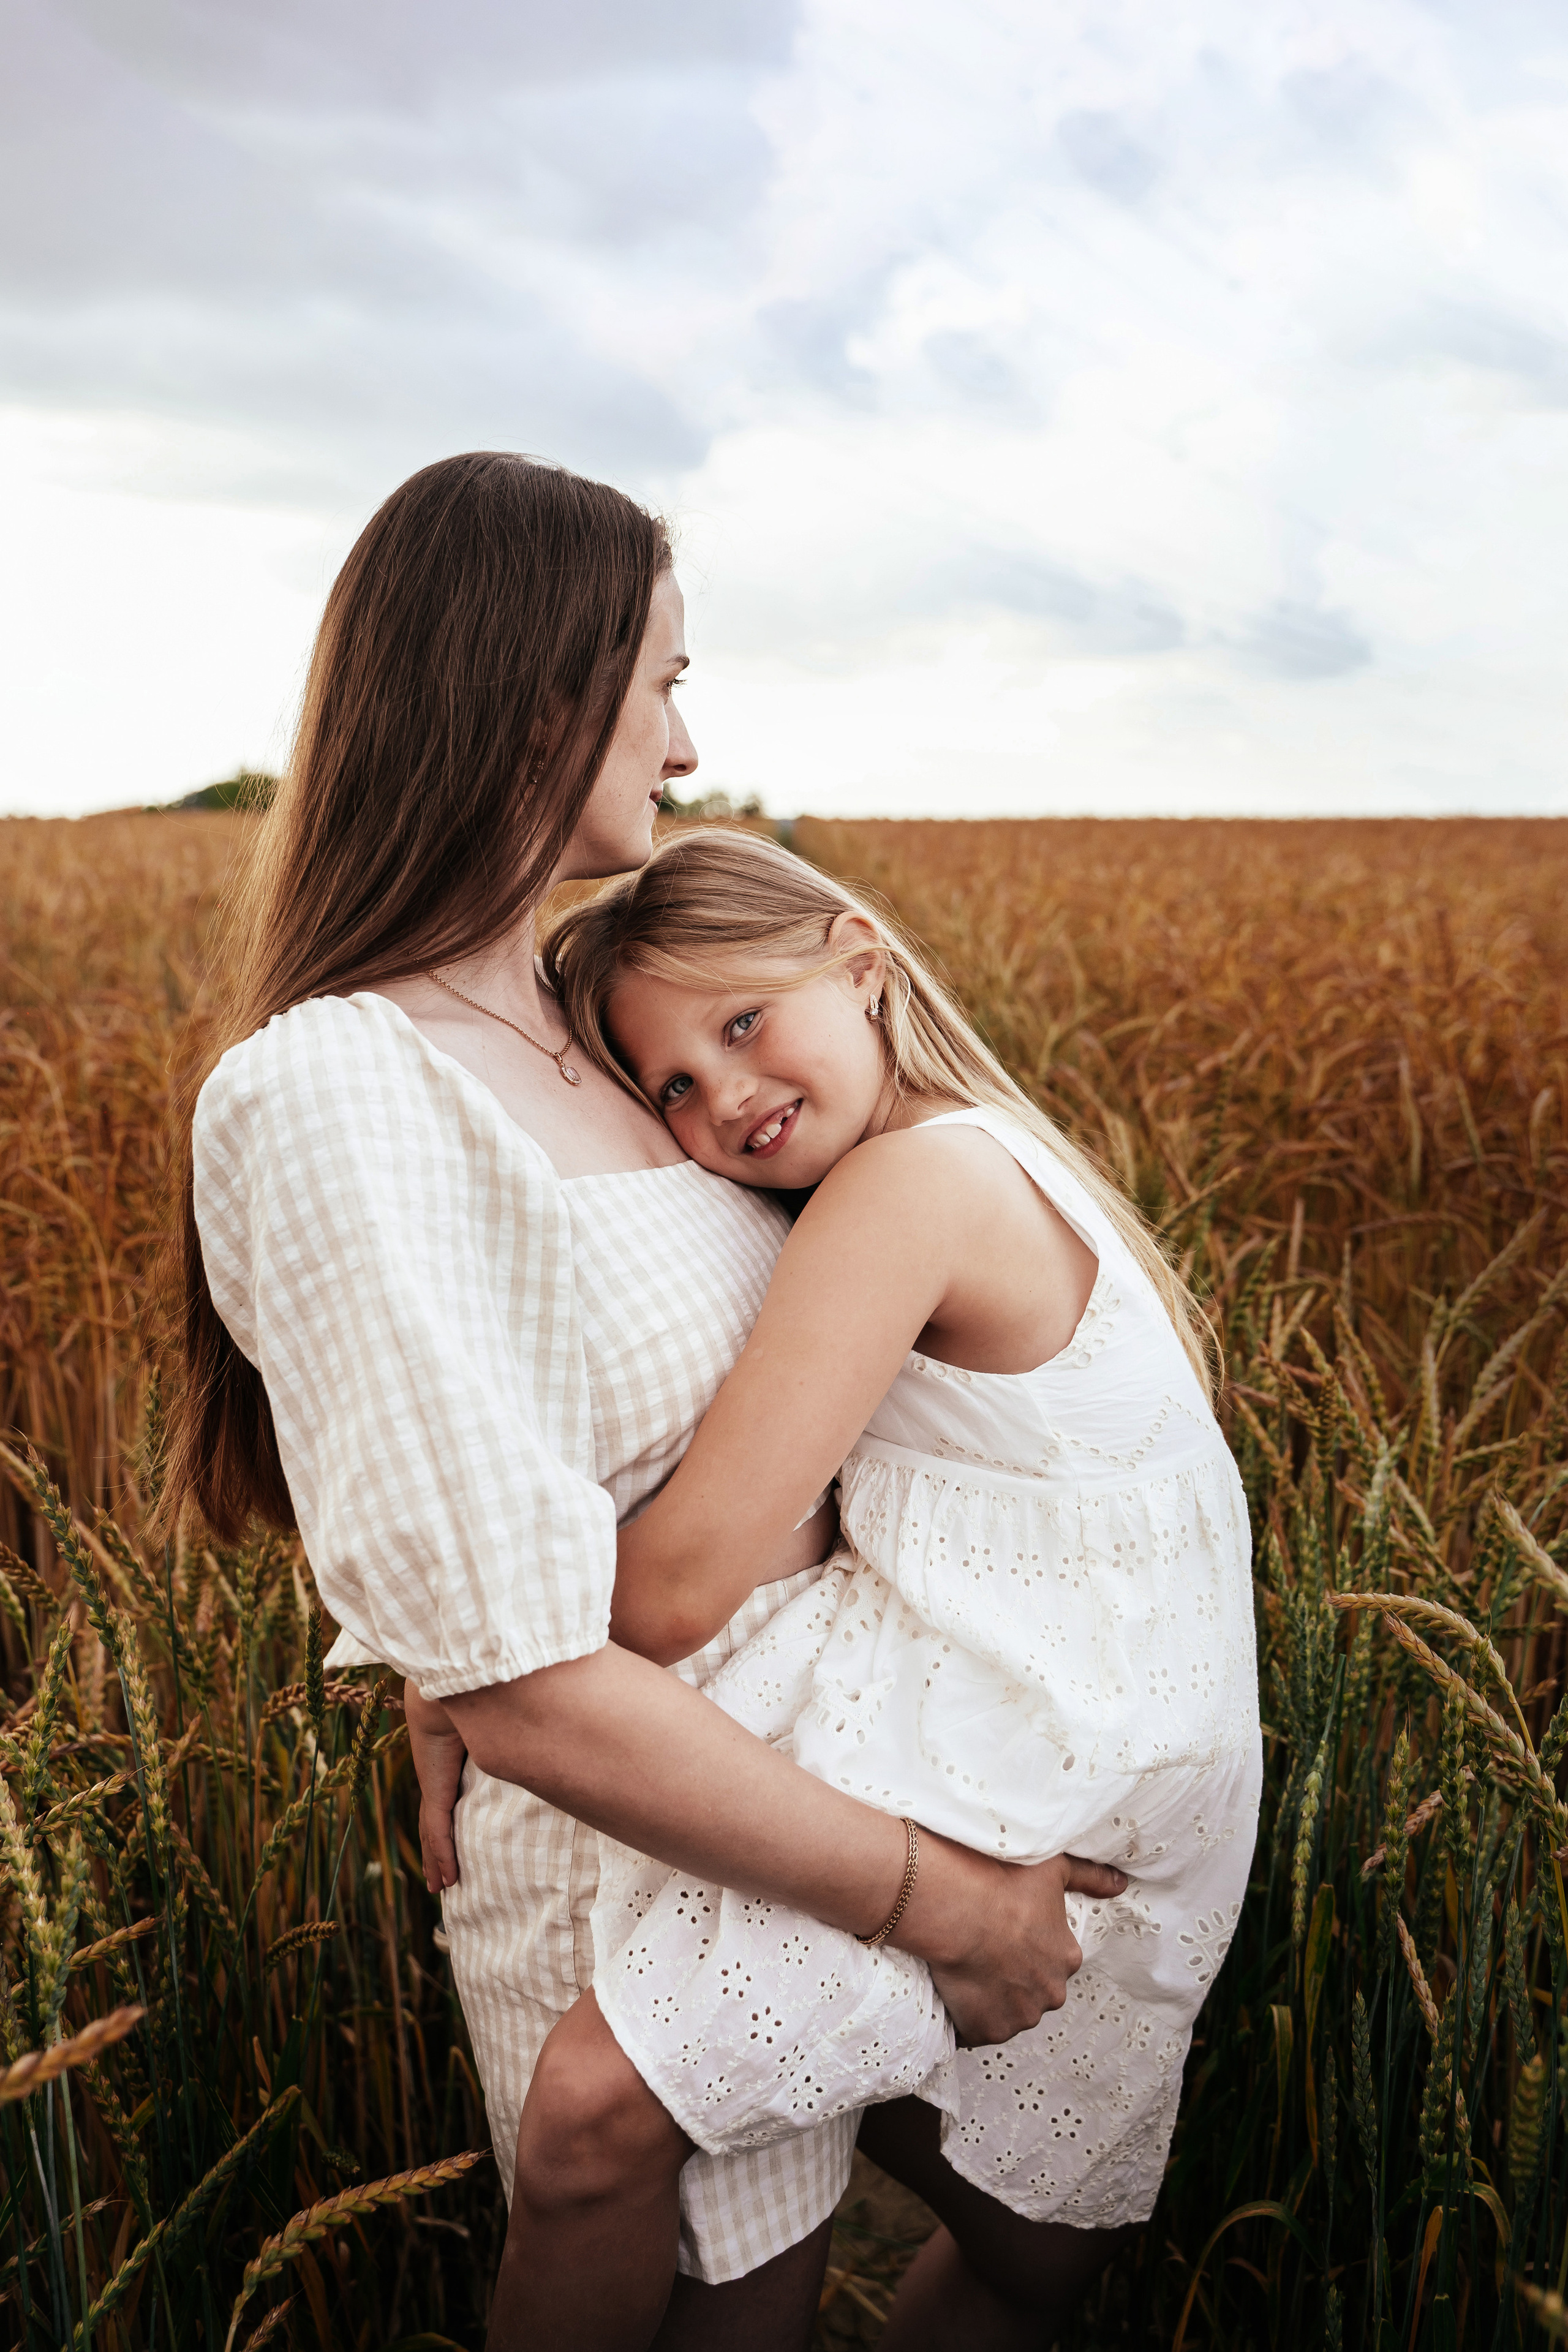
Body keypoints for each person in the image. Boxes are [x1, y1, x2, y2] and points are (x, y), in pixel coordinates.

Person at [167, 451, 1128, 2351]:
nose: (689, 745)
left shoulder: (594, 1020)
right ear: (542, 692)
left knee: (1048, 2232)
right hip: (634, 1873)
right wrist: (942, 1901)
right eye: (664, 683)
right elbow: (525, 1676)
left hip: (798, 1808)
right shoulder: (340, 1086)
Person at [412, 825, 1262, 2351]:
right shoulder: (986, 1141)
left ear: (859, 963)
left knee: (593, 2109)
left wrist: (454, 1646)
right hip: (1151, 1747)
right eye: (673, 1087)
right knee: (1032, 2253)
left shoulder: (904, 1190)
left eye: (742, 1023)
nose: (724, 1097)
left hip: (1039, 1746)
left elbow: (673, 1591)